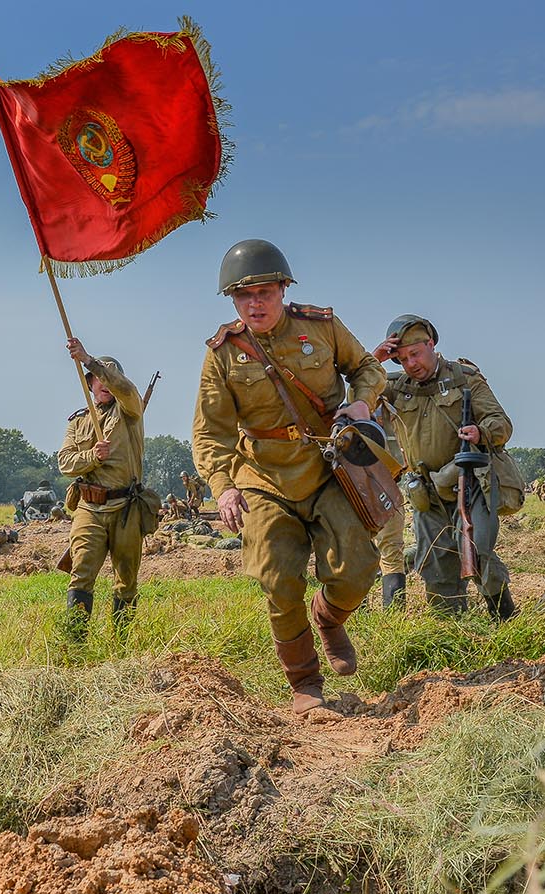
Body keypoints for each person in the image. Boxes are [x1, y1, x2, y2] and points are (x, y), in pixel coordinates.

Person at [192, 239, 386, 714]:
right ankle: (305, 683)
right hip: (261, 475)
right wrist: (225, 487)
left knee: (358, 569)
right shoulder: (223, 352)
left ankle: (329, 616)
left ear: (283, 289)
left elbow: (367, 368)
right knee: (278, 578)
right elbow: (209, 430)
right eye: (243, 297)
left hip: (327, 467)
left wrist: (361, 401)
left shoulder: (320, 327)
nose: (254, 304)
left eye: (263, 292)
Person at [374, 314, 518, 619]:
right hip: (427, 493)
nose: (410, 364)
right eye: (401, 359)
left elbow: (502, 423)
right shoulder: (396, 386)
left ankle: (505, 619)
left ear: (431, 344)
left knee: (477, 552)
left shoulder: (464, 378)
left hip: (470, 482)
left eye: (415, 354)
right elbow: (358, 394)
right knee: (436, 567)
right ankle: (451, 631)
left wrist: (482, 432)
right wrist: (375, 359)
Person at [56, 337, 147, 640]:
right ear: (90, 384)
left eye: (109, 377)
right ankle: (76, 645)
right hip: (89, 509)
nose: (104, 383)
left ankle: (120, 645)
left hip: (125, 508)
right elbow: (65, 462)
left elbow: (126, 389)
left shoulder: (130, 411)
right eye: (98, 378)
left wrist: (89, 360)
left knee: (126, 581)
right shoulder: (78, 422)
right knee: (80, 574)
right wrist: (91, 457)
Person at [372, 395, 409, 608]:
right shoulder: (396, 412)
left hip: (380, 487)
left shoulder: (350, 407)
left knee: (389, 551)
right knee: (391, 551)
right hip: (384, 487)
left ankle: (391, 613)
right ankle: (393, 614)